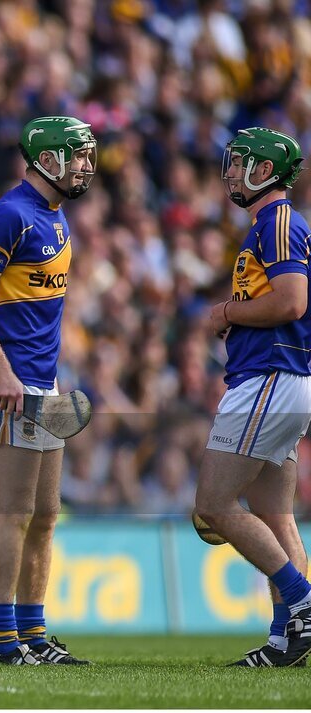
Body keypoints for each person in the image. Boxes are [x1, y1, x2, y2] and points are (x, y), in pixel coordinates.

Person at [0, 116, 96, 665]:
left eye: (87, 154)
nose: (86, 165)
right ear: (47, 159)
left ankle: (34, 635)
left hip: (43, 382)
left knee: (45, 513)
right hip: (6, 385)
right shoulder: (11, 213)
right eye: (76, 155)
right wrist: (2, 372)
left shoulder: (56, 216)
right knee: (12, 511)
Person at [195, 126, 311, 668]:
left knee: (215, 506)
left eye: (240, 163)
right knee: (274, 513)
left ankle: (304, 602)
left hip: (269, 378)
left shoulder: (280, 221)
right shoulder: (266, 224)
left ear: (265, 172)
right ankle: (287, 638)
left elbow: (291, 303)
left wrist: (227, 313)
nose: (229, 173)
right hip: (276, 379)